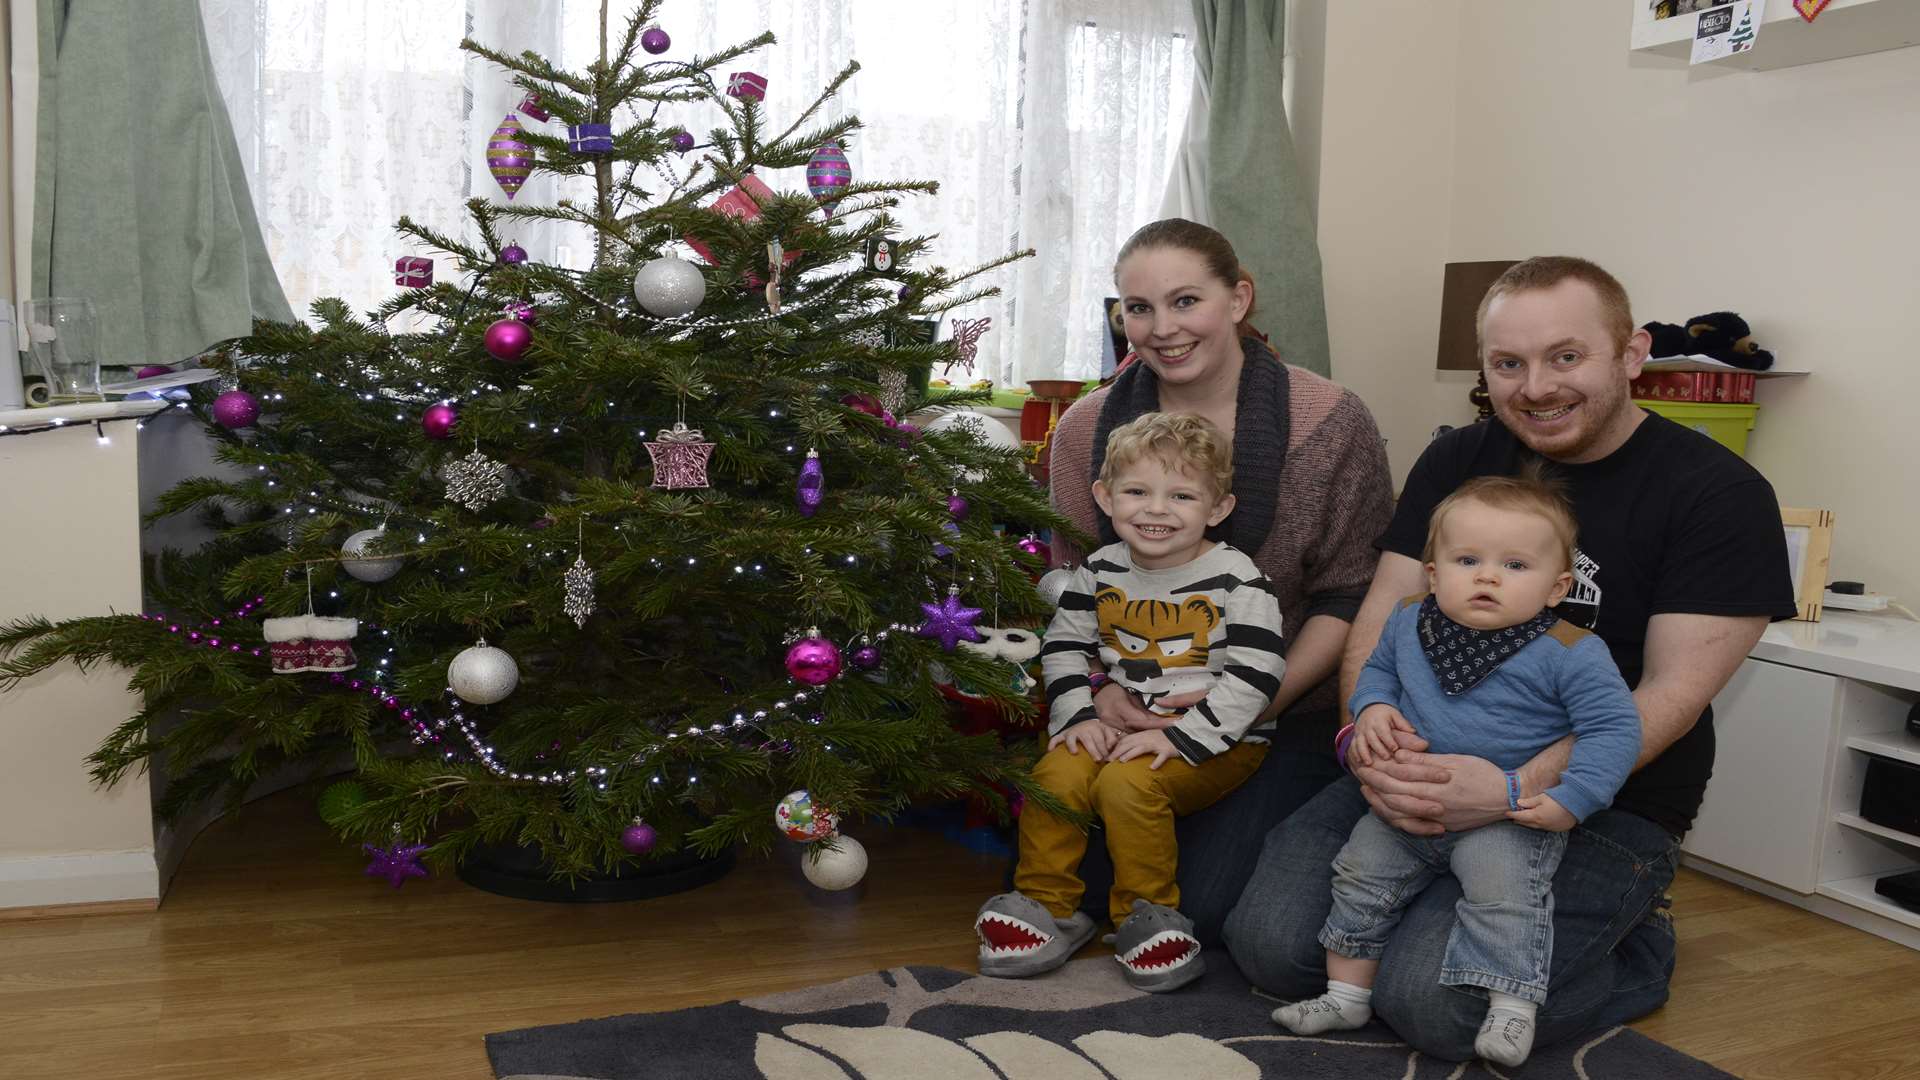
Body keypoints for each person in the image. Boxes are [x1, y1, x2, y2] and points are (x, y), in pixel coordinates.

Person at [1224, 255, 1796, 1061]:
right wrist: (1365, 742)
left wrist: (1509, 787)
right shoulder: (1456, 459)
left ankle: (1637, 945)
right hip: (1423, 768)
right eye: (1508, 364)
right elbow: (1381, 618)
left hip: (1600, 795)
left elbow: (1668, 695)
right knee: (1275, 952)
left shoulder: (1718, 493)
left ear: (1631, 354)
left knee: (1434, 1005)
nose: (1536, 387)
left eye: (1566, 357)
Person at [1040, 218, 1396, 948]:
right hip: (1131, 702)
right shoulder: (1084, 432)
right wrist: (1103, 694)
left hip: (1277, 714)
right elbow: (1071, 588)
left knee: (1200, 903)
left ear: (1238, 299)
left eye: (1185, 301)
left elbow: (1350, 592)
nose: (1162, 328)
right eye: (1138, 308)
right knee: (1087, 874)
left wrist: (1240, 707)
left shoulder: (1330, 422)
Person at [1273, 474, 1641, 1066]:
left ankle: (1513, 1007)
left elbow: (1614, 729)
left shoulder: (1571, 651)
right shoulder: (1408, 618)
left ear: (1558, 587)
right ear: (1435, 573)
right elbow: (1379, 673)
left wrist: (1573, 797)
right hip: (1403, 806)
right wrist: (1373, 709)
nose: (1488, 576)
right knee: (1359, 876)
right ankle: (1346, 995)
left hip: (1507, 817)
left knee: (1504, 899)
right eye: (1468, 560)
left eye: (1516, 565)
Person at [975, 412, 1285, 992]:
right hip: (1115, 722)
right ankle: (1049, 907)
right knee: (1057, 772)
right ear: (1105, 496)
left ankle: (1146, 916)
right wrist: (1078, 716)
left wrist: (1178, 737)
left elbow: (1258, 672)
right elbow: (1064, 647)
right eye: (1137, 491)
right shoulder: (1099, 569)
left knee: (1126, 785)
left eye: (1182, 495)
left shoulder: (1238, 581)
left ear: (1217, 509)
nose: (1156, 509)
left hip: (1218, 738)